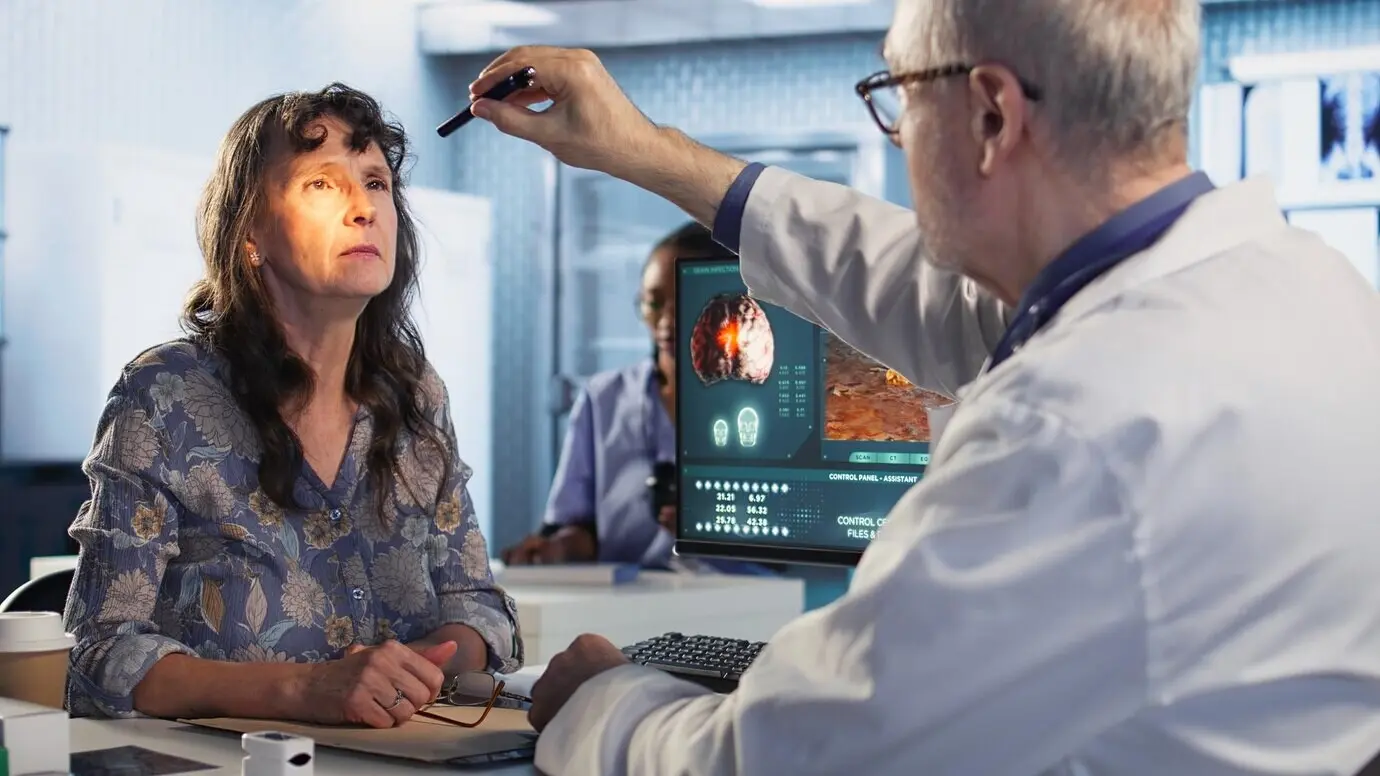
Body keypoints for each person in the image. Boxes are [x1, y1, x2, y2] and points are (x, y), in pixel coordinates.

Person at [465, 0, 1380, 772]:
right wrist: (647, 152)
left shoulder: (1076, 428)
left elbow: (787, 758)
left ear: (991, 115)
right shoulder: (1303, 283)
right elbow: (927, 292)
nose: (899, 136)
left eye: (898, 95)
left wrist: (604, 705)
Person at [62, 84, 523, 729]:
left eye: (376, 183)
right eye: (322, 185)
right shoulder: (164, 395)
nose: (363, 207)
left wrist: (402, 674)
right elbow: (101, 656)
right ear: (249, 227)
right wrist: (305, 690)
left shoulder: (416, 391)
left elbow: (477, 608)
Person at [501, 222, 763, 571]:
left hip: (745, 599)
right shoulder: (603, 400)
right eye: (654, 304)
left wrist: (716, 526)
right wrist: (557, 550)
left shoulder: (757, 404)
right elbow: (577, 527)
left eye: (686, 299)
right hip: (627, 604)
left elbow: (788, 535)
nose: (666, 322)